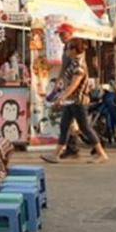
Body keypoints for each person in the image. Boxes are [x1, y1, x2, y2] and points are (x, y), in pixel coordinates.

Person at [45, 26, 108, 164]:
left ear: (74, 50)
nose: (66, 51)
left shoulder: (79, 65)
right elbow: (66, 76)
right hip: (71, 101)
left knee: (85, 127)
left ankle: (101, 153)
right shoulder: (73, 62)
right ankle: (56, 154)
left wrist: (62, 97)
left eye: (68, 49)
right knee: (64, 125)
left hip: (79, 100)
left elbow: (74, 84)